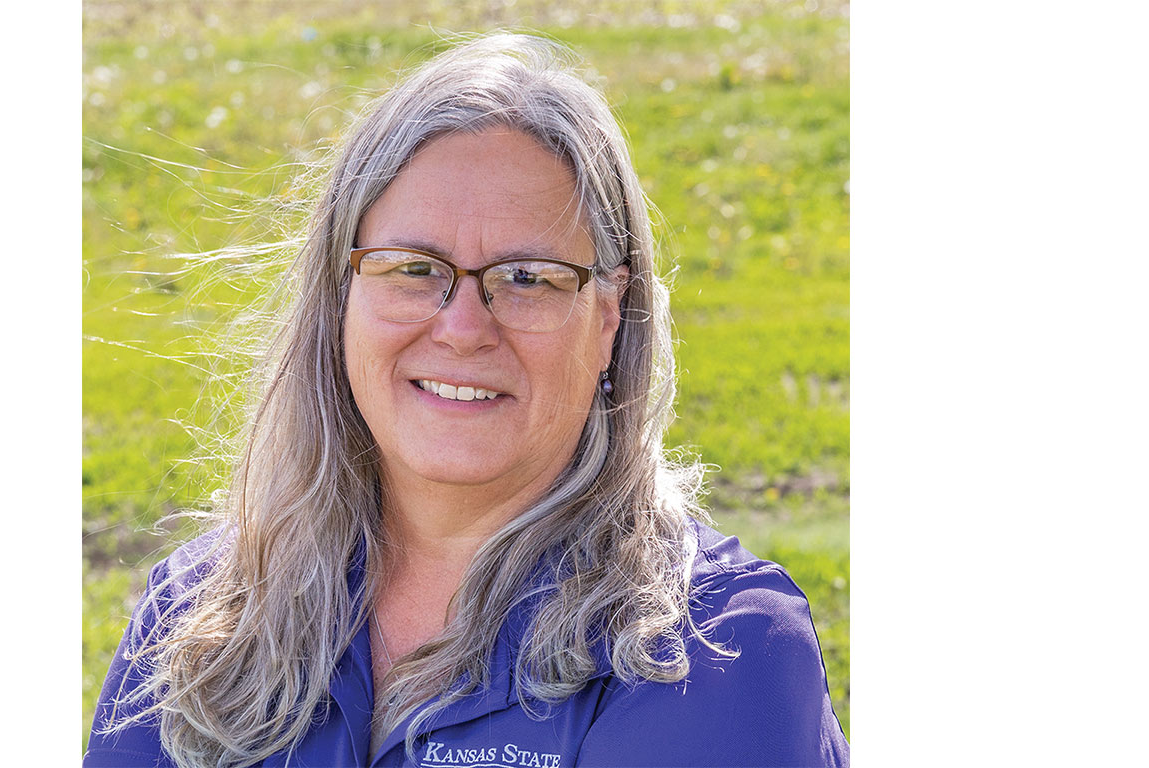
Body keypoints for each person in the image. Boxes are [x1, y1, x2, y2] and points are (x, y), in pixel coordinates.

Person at [85, 33, 849, 767]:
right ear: (339, 297)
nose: (461, 328)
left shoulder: (714, 644)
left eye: (528, 277)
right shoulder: (201, 617)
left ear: (612, 314)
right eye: (414, 268)